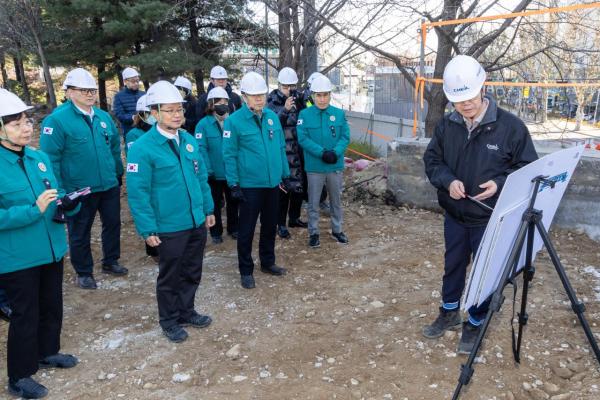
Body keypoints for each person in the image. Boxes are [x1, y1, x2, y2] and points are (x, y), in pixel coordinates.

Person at [422, 55, 538, 354]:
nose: (466, 105)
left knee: (485, 272)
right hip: (455, 214)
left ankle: (474, 322)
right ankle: (448, 313)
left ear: (482, 87)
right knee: (454, 266)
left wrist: (500, 183)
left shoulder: (510, 127)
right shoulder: (448, 125)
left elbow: (529, 169)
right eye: (459, 100)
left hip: (489, 218)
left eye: (470, 97)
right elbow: (433, 160)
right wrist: (448, 180)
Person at [0, 89, 81, 399]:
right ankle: (19, 376)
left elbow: (52, 198)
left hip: (51, 248)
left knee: (52, 306)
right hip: (17, 256)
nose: (26, 127)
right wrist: (33, 210)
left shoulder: (39, 158)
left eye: (27, 120)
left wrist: (67, 204)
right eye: (16, 123)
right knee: (25, 314)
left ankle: (47, 352)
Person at [126, 81, 215, 343]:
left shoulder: (188, 140)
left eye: (179, 109)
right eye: (169, 110)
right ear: (154, 113)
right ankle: (169, 320)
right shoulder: (142, 148)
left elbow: (200, 178)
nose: (177, 115)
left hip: (195, 220)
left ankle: (187, 311)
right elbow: (138, 193)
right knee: (170, 275)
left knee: (192, 269)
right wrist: (147, 228)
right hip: (168, 224)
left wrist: (208, 208)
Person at [40, 68, 126, 290]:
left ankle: (111, 260)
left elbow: (115, 147)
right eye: (84, 90)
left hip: (108, 184)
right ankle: (84, 271)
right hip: (78, 189)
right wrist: (60, 193)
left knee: (112, 223)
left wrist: (117, 172)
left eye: (92, 90)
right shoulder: (57, 121)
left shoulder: (103, 117)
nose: (90, 94)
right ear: (69, 92)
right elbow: (51, 160)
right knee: (80, 230)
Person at [222, 71, 291, 289]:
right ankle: (245, 270)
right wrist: (233, 183)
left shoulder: (271, 117)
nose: (259, 99)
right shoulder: (234, 122)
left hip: (272, 184)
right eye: (253, 95)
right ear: (243, 96)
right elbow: (229, 154)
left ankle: (267, 262)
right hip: (249, 186)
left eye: (261, 94)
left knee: (270, 226)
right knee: (247, 230)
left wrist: (285, 175)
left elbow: (280, 147)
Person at [297, 75, 350, 249]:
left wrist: (335, 152)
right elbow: (302, 138)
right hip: (315, 166)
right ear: (312, 95)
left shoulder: (338, 114)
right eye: (318, 95)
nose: (322, 99)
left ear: (330, 95)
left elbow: (345, 136)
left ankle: (337, 229)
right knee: (313, 202)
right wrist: (321, 153)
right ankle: (313, 232)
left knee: (336, 200)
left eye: (325, 95)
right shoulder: (304, 114)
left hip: (334, 164)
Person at [195, 86, 239, 244]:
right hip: (213, 172)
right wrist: (207, 169)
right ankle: (216, 232)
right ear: (211, 104)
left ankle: (234, 228)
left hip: (231, 171)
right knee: (214, 203)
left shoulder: (232, 121)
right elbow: (201, 149)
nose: (223, 104)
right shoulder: (203, 124)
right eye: (219, 101)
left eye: (225, 101)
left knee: (233, 202)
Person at [267, 67, 306, 240]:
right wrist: (284, 109)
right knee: (284, 190)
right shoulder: (271, 100)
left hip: (299, 150)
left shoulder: (299, 98)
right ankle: (280, 224)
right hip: (283, 151)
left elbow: (308, 113)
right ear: (279, 85)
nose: (289, 90)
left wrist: (305, 102)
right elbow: (271, 125)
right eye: (285, 87)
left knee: (299, 187)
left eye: (292, 86)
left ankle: (294, 218)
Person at [124, 95, 159, 263]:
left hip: (159, 178)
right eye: (149, 113)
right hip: (146, 177)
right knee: (148, 210)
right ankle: (153, 250)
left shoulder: (159, 132)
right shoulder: (134, 134)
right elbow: (134, 158)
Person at [112, 67, 145, 135]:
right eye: (133, 81)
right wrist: (133, 117)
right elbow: (119, 115)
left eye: (137, 81)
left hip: (146, 130)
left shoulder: (144, 94)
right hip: (129, 131)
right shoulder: (119, 96)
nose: (136, 83)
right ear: (125, 81)